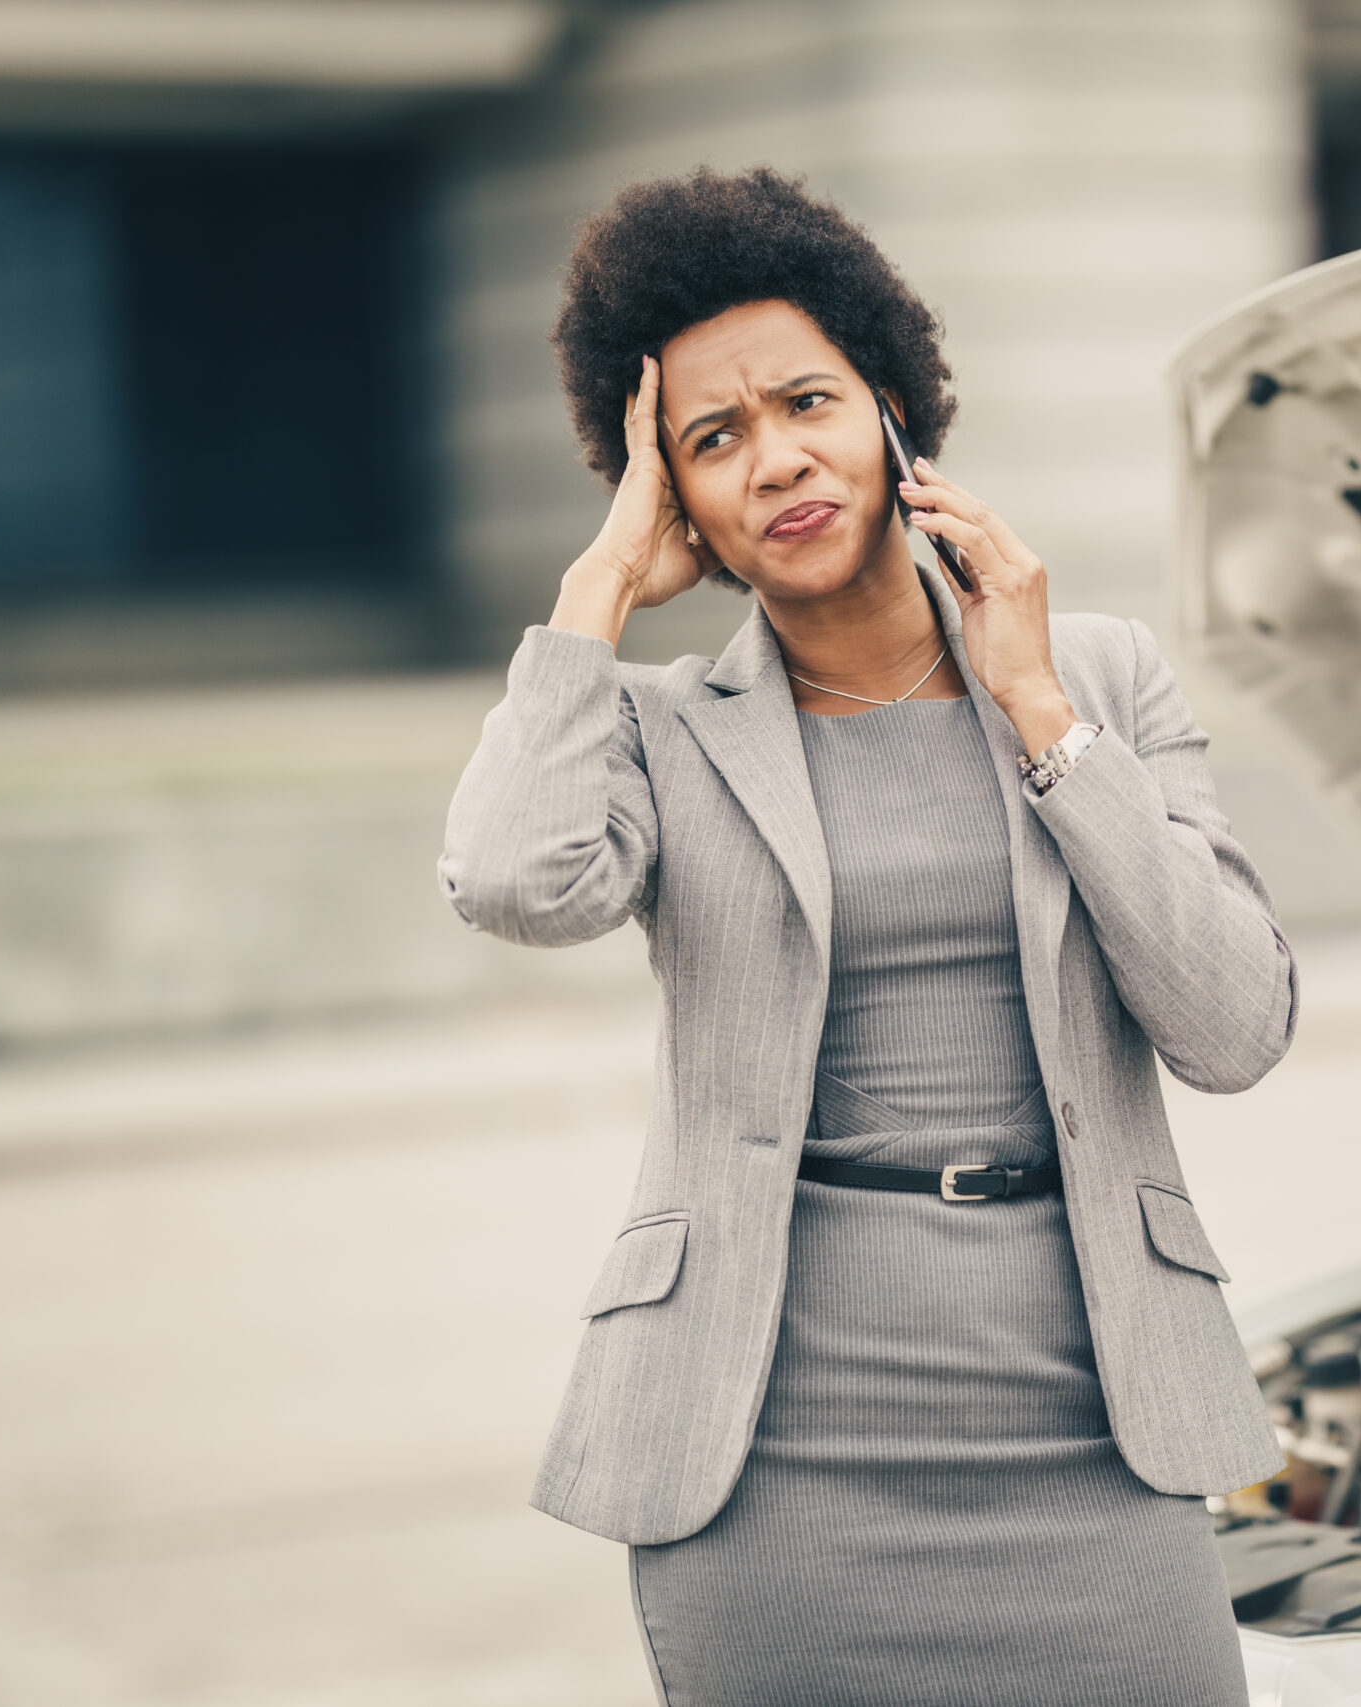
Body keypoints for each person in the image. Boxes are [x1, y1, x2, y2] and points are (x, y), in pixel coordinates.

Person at [438, 167, 1295, 1707]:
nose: (775, 461)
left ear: (892, 406)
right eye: (714, 442)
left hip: (1093, 1418)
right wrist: (599, 586)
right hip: (774, 1446)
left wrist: (1042, 717)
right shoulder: (660, 732)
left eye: (805, 403)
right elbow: (512, 878)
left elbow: (1232, 1025)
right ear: (679, 500)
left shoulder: (1098, 669)